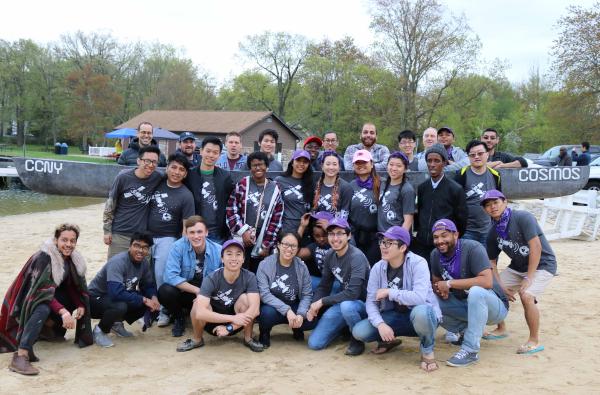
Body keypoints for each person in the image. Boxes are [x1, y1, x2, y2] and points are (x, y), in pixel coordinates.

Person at [0, 224, 92, 376]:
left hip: (45, 297)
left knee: (70, 299)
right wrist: (63, 312)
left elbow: (69, 286)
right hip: (27, 301)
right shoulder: (44, 257)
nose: (69, 244)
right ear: (56, 240)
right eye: (64, 240)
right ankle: (21, 355)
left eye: (72, 240)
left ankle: (46, 329)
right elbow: (39, 292)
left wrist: (80, 304)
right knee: (43, 307)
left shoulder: (71, 259)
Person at [351, 226, 441, 371]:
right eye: (382, 242)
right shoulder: (377, 268)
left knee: (422, 312)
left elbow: (419, 298)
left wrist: (390, 292)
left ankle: (427, 351)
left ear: (403, 247)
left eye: (389, 243)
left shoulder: (419, 263)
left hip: (422, 318)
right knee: (359, 332)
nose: (383, 246)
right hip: (395, 316)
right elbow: (371, 302)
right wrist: (380, 324)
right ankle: (388, 341)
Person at [482, 190, 557, 355]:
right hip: (518, 266)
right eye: (487, 205)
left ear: (505, 202)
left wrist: (529, 278)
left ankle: (534, 340)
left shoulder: (522, 217)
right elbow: (491, 262)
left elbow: (536, 247)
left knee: (527, 295)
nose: (492, 207)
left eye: (495, 202)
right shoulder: (492, 231)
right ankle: (501, 328)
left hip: (543, 264)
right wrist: (500, 286)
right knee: (492, 290)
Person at [430, 219, 509, 367]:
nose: (440, 241)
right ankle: (465, 331)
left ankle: (470, 350)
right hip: (465, 305)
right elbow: (436, 282)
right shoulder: (435, 254)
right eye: (436, 237)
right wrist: (440, 291)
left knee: (476, 292)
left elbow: (487, 282)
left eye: (444, 235)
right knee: (429, 301)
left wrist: (449, 284)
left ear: (456, 235)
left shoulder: (473, 248)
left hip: (495, 307)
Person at [176, 240, 264, 353]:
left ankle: (248, 338)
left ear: (243, 259)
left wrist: (230, 327)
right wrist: (232, 318)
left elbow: (255, 310)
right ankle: (197, 339)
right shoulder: (212, 278)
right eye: (229, 254)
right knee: (197, 303)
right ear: (222, 258)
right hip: (212, 322)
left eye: (238, 254)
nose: (234, 258)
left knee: (246, 299)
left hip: (237, 324)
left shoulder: (249, 276)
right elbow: (200, 313)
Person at [306, 218, 370, 355]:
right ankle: (343, 327)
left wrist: (321, 302)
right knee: (314, 343)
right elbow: (324, 286)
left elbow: (353, 293)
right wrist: (313, 306)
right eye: (331, 234)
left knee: (347, 306)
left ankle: (357, 338)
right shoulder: (330, 255)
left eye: (340, 233)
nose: (335, 238)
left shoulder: (356, 256)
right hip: (343, 302)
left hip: (363, 304)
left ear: (349, 236)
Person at [88, 232, 160, 348]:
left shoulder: (144, 263)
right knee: (121, 305)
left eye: (145, 247)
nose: (140, 250)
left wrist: (153, 297)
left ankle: (115, 324)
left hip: (113, 298)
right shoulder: (118, 262)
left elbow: (148, 285)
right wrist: (145, 299)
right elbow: (115, 293)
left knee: (143, 301)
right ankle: (99, 330)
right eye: (137, 246)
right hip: (94, 299)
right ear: (130, 246)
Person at [148, 153, 195, 327]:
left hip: (168, 238)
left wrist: (181, 248)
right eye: (173, 167)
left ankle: (164, 311)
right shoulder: (157, 183)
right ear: (167, 168)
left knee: (162, 275)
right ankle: (149, 308)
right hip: (147, 236)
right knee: (147, 275)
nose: (176, 172)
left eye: (181, 169)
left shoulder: (186, 195)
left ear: (185, 174)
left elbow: (185, 227)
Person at [159, 216, 222, 337]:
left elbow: (222, 279)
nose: (196, 236)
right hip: (186, 290)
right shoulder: (177, 247)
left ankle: (204, 316)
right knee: (164, 291)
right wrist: (197, 291)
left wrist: (204, 294)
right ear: (186, 233)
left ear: (206, 232)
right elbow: (171, 276)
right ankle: (179, 318)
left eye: (199, 232)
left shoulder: (218, 250)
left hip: (208, 293)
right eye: (191, 232)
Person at [103, 145, 164, 259]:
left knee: (142, 273)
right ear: (138, 161)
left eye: (154, 162)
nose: (151, 165)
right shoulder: (123, 177)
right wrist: (107, 231)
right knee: (115, 269)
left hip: (143, 237)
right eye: (147, 161)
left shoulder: (158, 177)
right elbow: (110, 204)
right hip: (120, 234)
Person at [226, 151, 284, 272]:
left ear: (267, 166)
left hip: (263, 237)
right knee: (239, 271)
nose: (258, 167)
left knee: (259, 273)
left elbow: (276, 219)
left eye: (261, 164)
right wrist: (243, 232)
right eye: (254, 165)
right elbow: (231, 210)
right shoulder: (243, 184)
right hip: (242, 236)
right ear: (250, 168)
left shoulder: (275, 188)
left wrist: (267, 244)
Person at [256, 232, 315, 347]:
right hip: (273, 307)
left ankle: (297, 327)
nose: (289, 249)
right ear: (278, 244)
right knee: (266, 314)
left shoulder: (302, 267)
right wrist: (287, 311)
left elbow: (307, 294)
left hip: (294, 304)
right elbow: (264, 294)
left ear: (298, 248)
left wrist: (300, 314)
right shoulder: (265, 265)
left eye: (293, 246)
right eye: (285, 244)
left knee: (310, 319)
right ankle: (264, 332)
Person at [413, 143, 467, 264]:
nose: (432, 164)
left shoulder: (455, 189)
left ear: (444, 163)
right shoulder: (422, 188)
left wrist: (449, 240)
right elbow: (420, 212)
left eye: (436, 161)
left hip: (443, 246)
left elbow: (461, 220)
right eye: (429, 160)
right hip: (422, 244)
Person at [185, 136, 234, 244]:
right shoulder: (190, 175)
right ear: (201, 151)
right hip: (195, 231)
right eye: (208, 151)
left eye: (215, 152)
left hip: (217, 232)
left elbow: (231, 202)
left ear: (220, 155)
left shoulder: (225, 176)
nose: (211, 155)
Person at [456, 140, 501, 246]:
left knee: (488, 261)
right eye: (472, 155)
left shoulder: (495, 175)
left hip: (488, 230)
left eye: (480, 153)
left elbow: (500, 201)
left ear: (487, 154)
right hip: (466, 231)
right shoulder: (461, 175)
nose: (476, 157)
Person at [348, 149, 381, 264]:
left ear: (371, 164)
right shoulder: (350, 186)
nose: (361, 165)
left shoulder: (381, 184)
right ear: (353, 166)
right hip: (356, 236)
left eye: (364, 162)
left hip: (375, 237)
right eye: (358, 163)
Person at [275, 149, 315, 234]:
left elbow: (312, 207)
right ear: (292, 162)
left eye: (305, 162)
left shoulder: (311, 184)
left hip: (304, 229)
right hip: (284, 229)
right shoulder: (280, 180)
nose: (301, 164)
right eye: (298, 160)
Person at [378, 151, 415, 233]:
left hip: (395, 237)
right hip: (381, 235)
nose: (394, 168)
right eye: (391, 164)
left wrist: (399, 239)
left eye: (399, 166)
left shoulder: (407, 190)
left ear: (405, 169)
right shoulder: (383, 184)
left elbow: (408, 221)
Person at [297, 212, 333, 290]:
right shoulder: (314, 247)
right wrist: (302, 227)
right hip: (323, 283)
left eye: (325, 234)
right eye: (317, 236)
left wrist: (330, 230)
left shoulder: (339, 243)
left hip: (338, 283)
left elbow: (344, 252)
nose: (321, 239)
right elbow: (295, 253)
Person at [313, 151, 352, 221]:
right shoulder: (315, 186)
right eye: (328, 164)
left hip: (336, 229)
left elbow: (344, 216)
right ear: (322, 166)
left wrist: (329, 226)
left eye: (334, 164)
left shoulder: (346, 187)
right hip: (316, 228)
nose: (331, 167)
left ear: (339, 167)